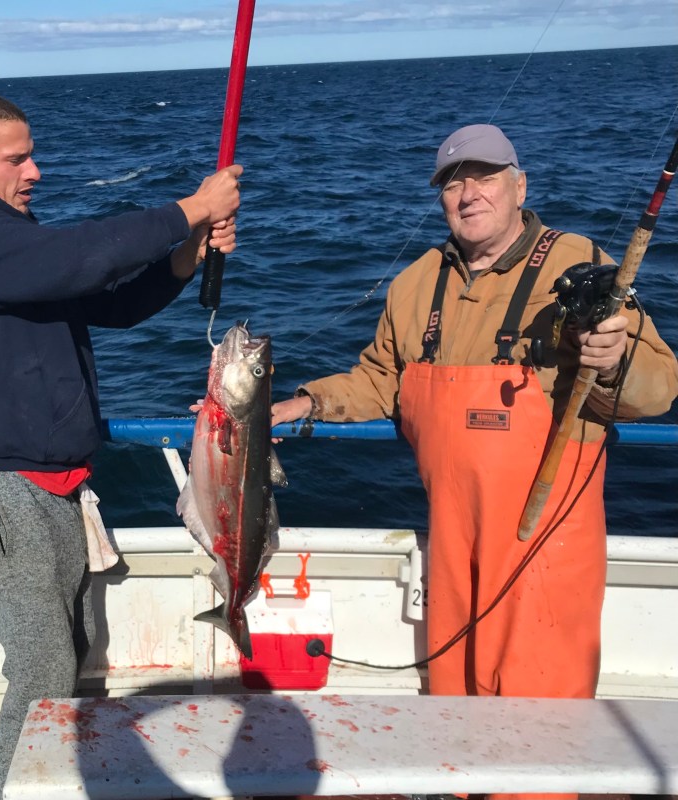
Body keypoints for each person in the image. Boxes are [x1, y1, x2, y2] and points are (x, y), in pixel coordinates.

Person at [272, 124, 678, 800]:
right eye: (453, 182)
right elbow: (381, 379)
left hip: (548, 541)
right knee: (455, 717)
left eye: (485, 176)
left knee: (540, 729)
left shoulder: (576, 261)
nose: (468, 193)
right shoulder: (414, 284)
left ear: (520, 185)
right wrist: (302, 402)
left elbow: (658, 390)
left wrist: (614, 360)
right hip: (453, 537)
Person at [0, 90, 241, 798]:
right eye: (17, 158)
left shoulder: (8, 245)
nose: (36, 170)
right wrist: (191, 208)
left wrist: (187, 253)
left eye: (33, 153)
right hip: (3, 490)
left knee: (73, 656)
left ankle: (51, 781)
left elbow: (110, 301)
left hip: (54, 486)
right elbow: (81, 258)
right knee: (41, 671)